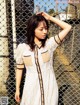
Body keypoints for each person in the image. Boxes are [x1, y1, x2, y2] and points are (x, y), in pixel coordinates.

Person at [15, 12, 72, 105]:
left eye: (46, 28)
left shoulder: (50, 44)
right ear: (32, 30)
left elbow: (68, 27)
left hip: (49, 86)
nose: (45, 31)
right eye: (41, 29)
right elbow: (19, 68)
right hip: (31, 88)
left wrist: (50, 18)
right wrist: (17, 89)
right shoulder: (23, 48)